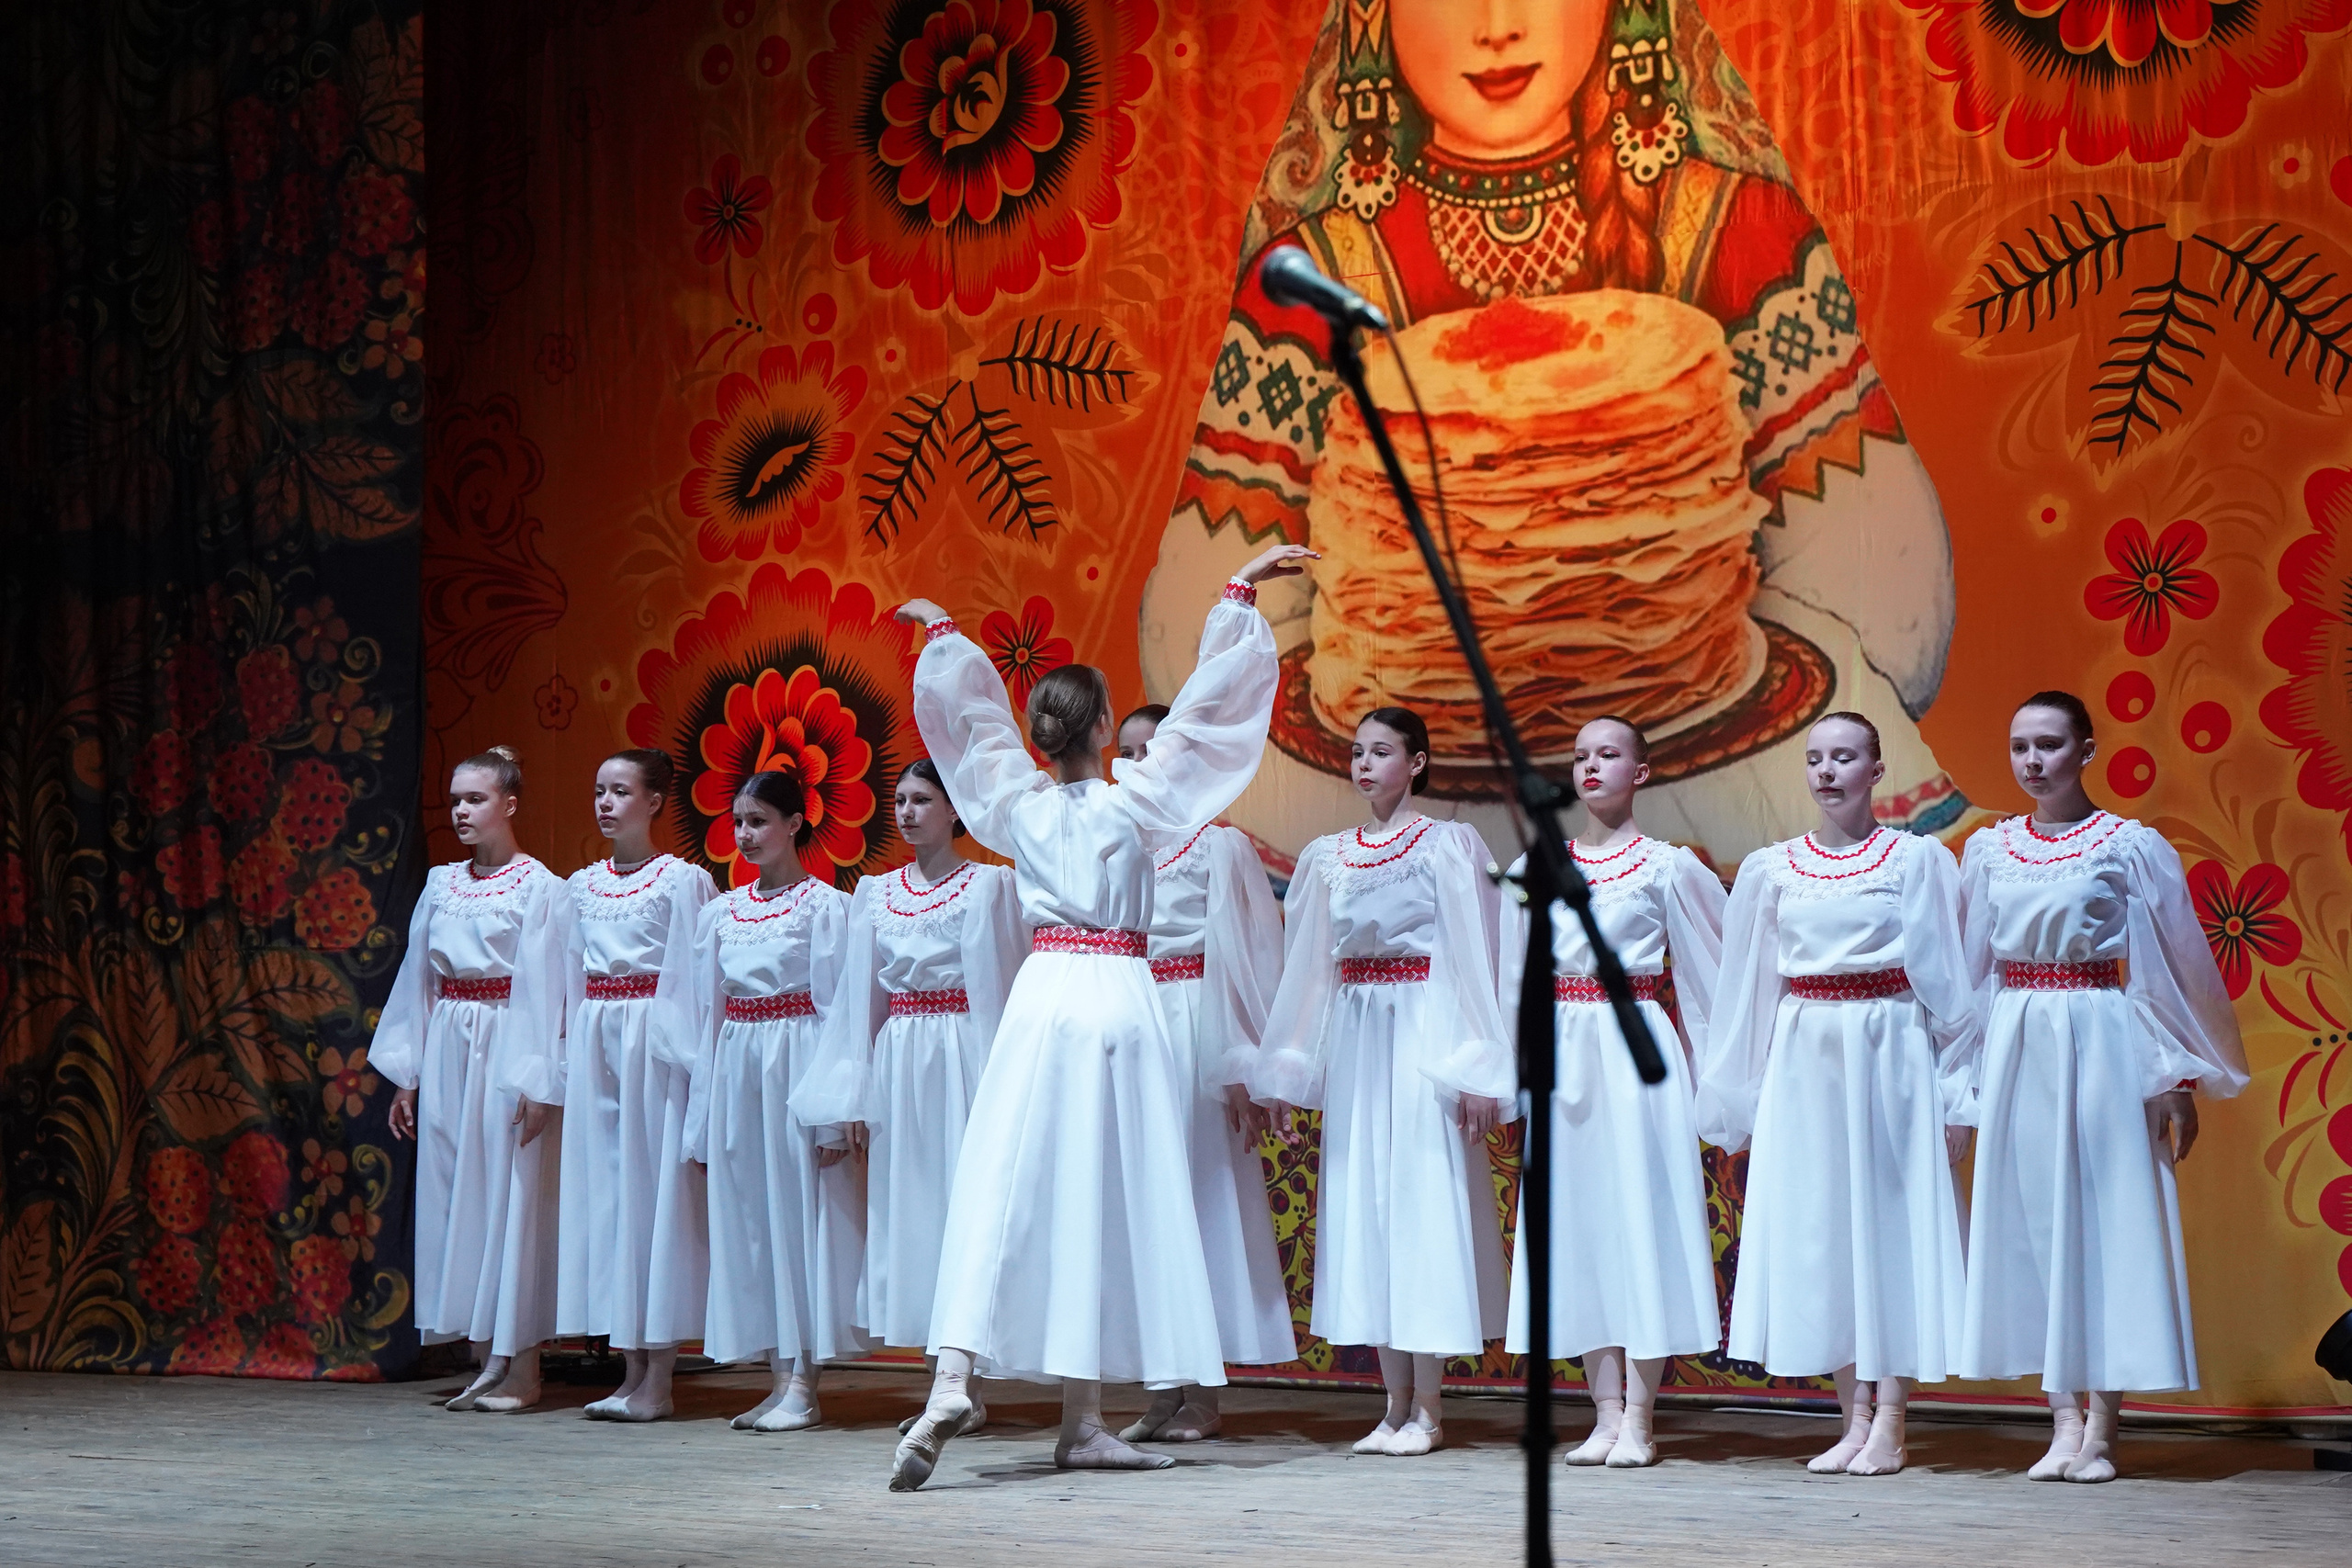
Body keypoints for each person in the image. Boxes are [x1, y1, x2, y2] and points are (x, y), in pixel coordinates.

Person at [886, 541, 1315, 1492]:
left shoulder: (1020, 808)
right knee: (1099, 1200)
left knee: (1007, 1181)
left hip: (1044, 1000)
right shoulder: (1139, 806)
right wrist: (1239, 595)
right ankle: (1074, 1417)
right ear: (1108, 726)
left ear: (1045, 732)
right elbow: (1209, 719)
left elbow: (975, 736)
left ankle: (966, 1376)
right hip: (1119, 997)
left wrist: (947, 639)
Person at [1955, 692, 2250, 1482]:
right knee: (2037, 1221)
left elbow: (2167, 970)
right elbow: (1971, 974)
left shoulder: (2128, 846)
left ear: (2087, 749)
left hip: (2100, 1036)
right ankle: (2061, 1419)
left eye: (2049, 744)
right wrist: (1962, 1082)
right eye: (2020, 745)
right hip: (2021, 1040)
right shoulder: (1988, 850)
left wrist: (2173, 1076)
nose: (2032, 761)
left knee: (2103, 1218)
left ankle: (2105, 1427)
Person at [1696, 713, 1975, 1476]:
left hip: (1887, 1051)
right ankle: (1851, 1414)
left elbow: (1951, 986)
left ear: (1876, 769)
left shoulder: (1915, 861)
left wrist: (1957, 1095)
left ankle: (1889, 1417)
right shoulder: (1773, 868)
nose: (1827, 771)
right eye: (1816, 758)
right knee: (1826, 1234)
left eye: (1844, 757)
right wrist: (1742, 1097)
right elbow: (1747, 991)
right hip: (1805, 1057)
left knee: (1887, 1231)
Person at [1250, 706, 1514, 1458]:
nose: (1364, 764)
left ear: (1418, 763)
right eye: (1356, 751)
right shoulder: (1329, 855)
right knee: (1366, 1204)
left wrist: (1477, 1062)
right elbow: (1308, 970)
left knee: (1419, 1205)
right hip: (1361, 1036)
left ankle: (1428, 1406)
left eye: (1382, 751)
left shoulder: (1446, 844)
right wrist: (1290, 1070)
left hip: (1423, 1034)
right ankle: (1392, 1402)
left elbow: (1473, 956)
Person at [1499, 716, 1725, 1468]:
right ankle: (1602, 1410)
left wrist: (1715, 1079)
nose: (1592, 766)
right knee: (1582, 1227)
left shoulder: (1667, 866)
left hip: (1633, 1046)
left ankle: (1641, 1415)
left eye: (1609, 754)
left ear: (1643, 771)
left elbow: (1707, 978)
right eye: (1581, 756)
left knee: (1639, 1220)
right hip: (1564, 1054)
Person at [795, 760, 1027, 1436]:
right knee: (911, 1210)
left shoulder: (989, 885)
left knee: (967, 1208)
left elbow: (1003, 987)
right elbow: (856, 1005)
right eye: (899, 799)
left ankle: (967, 1376)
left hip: (961, 1055)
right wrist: (852, 1098)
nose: (908, 811)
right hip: (900, 1059)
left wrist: (1001, 1086)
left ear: (956, 811)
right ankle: (944, 1381)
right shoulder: (875, 892)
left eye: (923, 799)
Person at [1114, 705, 1296, 1444]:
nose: (1133, 764)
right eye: (1121, 752)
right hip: (1132, 1017)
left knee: (1201, 1197)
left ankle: (1205, 1389)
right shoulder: (1118, 843)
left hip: (1194, 1022)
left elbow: (1253, 958)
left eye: (1147, 749)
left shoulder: (1217, 846)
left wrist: (1244, 1066)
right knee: (1145, 1204)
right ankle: (1161, 1382)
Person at [373, 746, 572, 1413]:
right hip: (451, 1045)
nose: (461, 810)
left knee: (508, 1196)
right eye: (455, 799)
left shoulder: (541, 886)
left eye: (476, 799)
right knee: (456, 1192)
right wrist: (408, 1074)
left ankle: (521, 1364)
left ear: (509, 804)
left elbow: (550, 987)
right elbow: (419, 980)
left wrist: (537, 1076)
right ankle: (484, 1355)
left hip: (506, 1039)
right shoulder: (441, 883)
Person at [683, 771, 862, 1432]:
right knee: (751, 1220)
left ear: (795, 822)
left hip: (796, 1063)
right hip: (739, 1066)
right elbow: (708, 1015)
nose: (746, 833)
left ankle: (805, 1382)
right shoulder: (720, 913)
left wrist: (832, 1112)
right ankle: (777, 1375)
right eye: (738, 821)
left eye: (759, 819)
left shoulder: (823, 907)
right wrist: (702, 1120)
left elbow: (836, 1012)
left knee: (796, 1221)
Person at [560, 749, 718, 1422]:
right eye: (599, 789)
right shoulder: (582, 885)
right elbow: (568, 978)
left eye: (620, 790)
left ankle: (660, 1374)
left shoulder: (682, 882)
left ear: (654, 801)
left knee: (657, 1204)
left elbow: (700, 981)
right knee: (611, 1204)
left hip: (656, 1048)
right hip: (600, 1045)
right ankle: (629, 1370)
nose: (605, 802)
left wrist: (690, 1067)